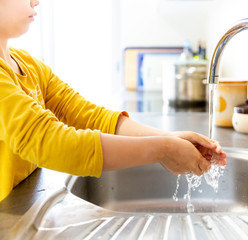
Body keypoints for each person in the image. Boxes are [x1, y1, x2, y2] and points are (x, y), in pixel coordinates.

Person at [0, 0, 227, 202]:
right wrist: (162, 149)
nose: (35, 1)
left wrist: (167, 138)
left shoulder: (28, 64)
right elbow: (49, 140)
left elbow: (86, 115)